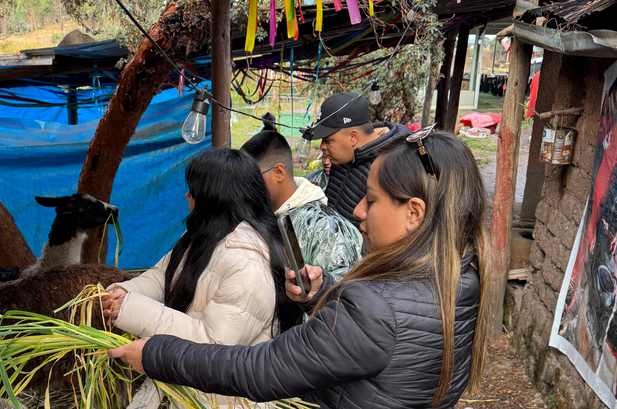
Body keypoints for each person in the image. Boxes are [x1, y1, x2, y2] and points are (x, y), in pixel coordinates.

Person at [109, 129, 490, 409]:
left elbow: (260, 370)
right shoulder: (461, 278)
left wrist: (158, 355)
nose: (358, 210)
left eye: (372, 200)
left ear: (414, 213)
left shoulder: (372, 308)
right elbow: (390, 330)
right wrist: (325, 294)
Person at [103, 148, 302, 408]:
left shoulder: (247, 263)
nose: (187, 195)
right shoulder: (203, 236)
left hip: (225, 400)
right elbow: (163, 276)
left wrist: (132, 310)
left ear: (214, 197)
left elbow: (214, 347)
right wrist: (126, 292)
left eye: (193, 190)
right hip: (191, 389)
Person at [241, 131, 363, 280]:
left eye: (253, 178)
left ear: (279, 172)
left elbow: (342, 287)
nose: (246, 187)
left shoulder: (324, 226)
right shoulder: (261, 214)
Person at [309, 93, 410, 227]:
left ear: (353, 137)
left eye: (328, 140)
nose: (322, 146)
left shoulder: (391, 167)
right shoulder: (342, 158)